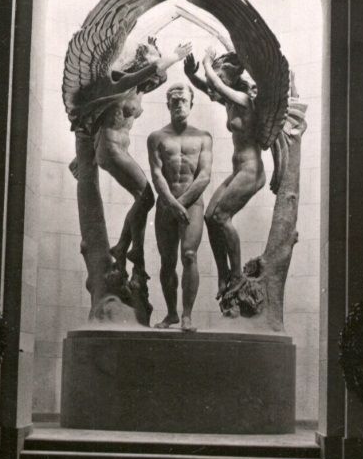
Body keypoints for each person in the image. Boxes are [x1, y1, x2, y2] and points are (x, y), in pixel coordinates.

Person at [93, 38, 191, 273]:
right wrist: (172, 56)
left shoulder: (139, 88)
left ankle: (125, 247)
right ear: (139, 61)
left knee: (144, 197)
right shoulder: (119, 80)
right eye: (150, 57)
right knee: (146, 196)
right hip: (110, 146)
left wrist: (158, 56)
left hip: (119, 148)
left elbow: (159, 75)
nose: (155, 61)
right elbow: (154, 70)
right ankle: (130, 247)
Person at [185, 47, 265, 298]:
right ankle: (224, 276)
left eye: (218, 77)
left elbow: (217, 87)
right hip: (238, 169)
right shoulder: (229, 101)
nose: (213, 83)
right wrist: (191, 75)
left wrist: (207, 63)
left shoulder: (244, 100)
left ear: (229, 78)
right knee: (210, 217)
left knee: (221, 216)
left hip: (252, 170)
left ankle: (237, 276)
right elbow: (211, 89)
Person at [147, 83, 213, 332]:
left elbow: (204, 175)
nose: (179, 105)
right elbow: (156, 175)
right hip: (166, 204)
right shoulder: (156, 137)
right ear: (167, 105)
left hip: (191, 205)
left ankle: (187, 315)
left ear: (191, 103)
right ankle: (172, 314)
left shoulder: (203, 137)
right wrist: (172, 204)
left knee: (189, 255)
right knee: (166, 261)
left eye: (183, 100)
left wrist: (181, 204)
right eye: (174, 101)